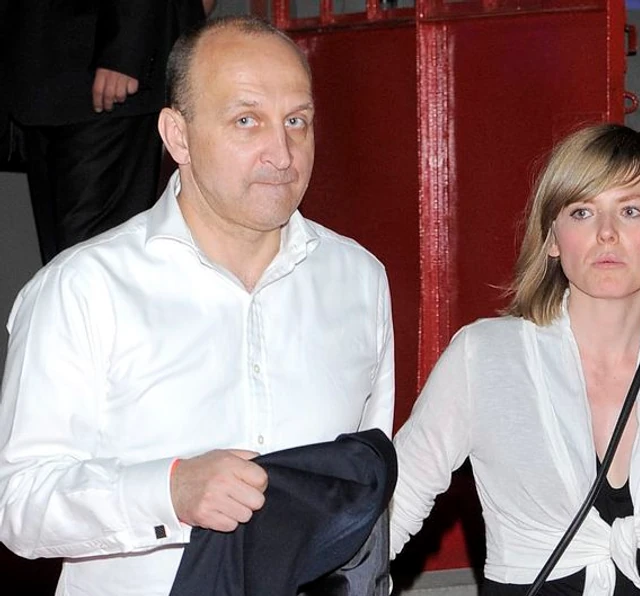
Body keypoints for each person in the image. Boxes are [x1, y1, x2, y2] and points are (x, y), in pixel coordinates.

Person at [0, 15, 394, 596]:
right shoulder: (83, 288)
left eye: (296, 121)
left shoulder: (358, 279)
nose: (282, 154)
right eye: (246, 121)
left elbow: (363, 490)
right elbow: (19, 505)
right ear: (177, 136)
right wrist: (170, 491)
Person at [389, 124, 640, 595]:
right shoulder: (485, 355)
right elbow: (393, 508)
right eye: (582, 212)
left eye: (631, 210)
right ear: (553, 238)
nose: (607, 233)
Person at [2, 0, 215, 264]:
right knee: (64, 262)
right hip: (42, 69)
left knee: (95, 257)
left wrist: (125, 48)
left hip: (100, 65)